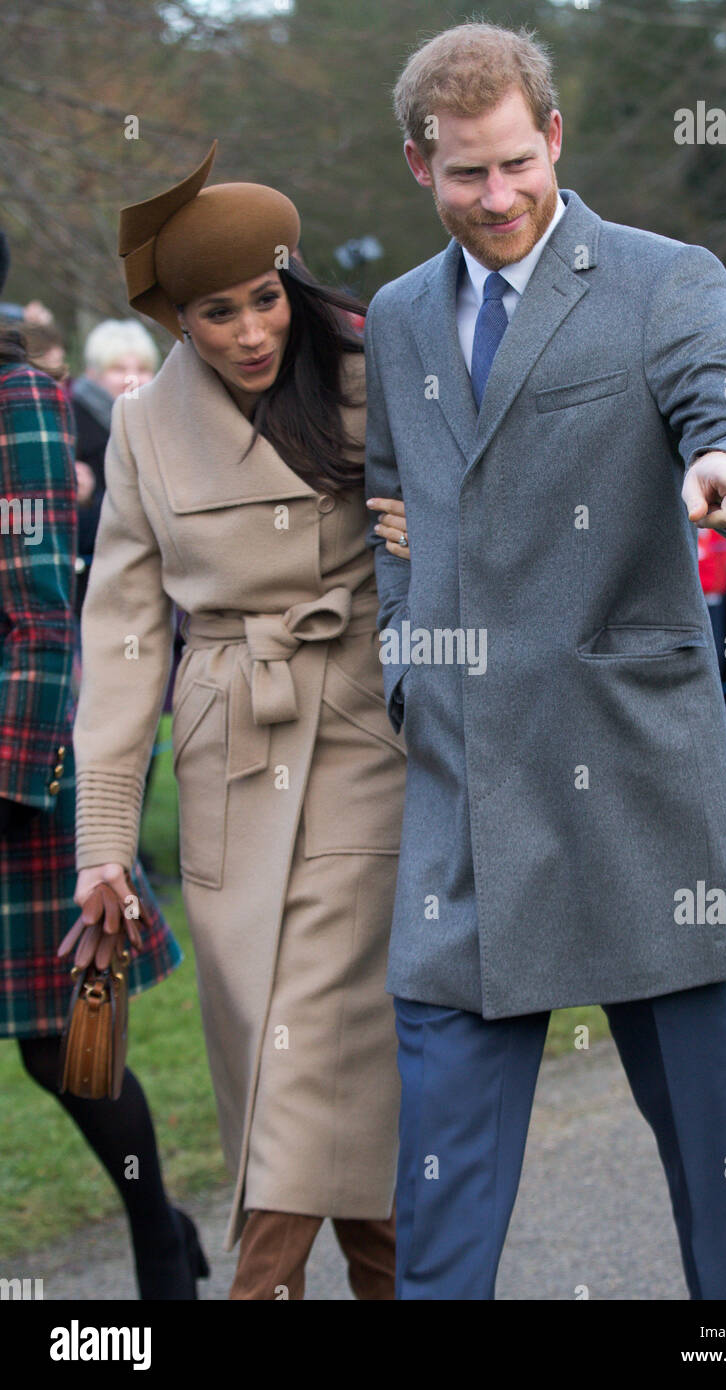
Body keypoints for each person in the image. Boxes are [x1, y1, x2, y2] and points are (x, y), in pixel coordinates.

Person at [364, 21, 726, 1300]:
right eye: (464, 175)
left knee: (707, 1162)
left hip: (628, 783)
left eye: (514, 163)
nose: (495, 198)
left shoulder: (663, 277)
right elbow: (392, 508)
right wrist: (408, 660)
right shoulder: (396, 317)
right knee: (439, 1188)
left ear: (550, 136)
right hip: (462, 799)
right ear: (418, 165)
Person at [71, 142, 411, 1300]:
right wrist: (106, 845)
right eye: (219, 312)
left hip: (364, 733)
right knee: (274, 1047)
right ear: (177, 318)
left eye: (267, 297)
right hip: (226, 753)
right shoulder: (140, 431)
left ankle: (256, 1284)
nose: (254, 330)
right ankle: (391, 1274)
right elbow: (121, 641)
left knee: (321, 1035)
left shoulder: (377, 368)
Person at [0, 228, 202, 1300]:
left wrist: (13, 779)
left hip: (14, 772)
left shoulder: (23, 403)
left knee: (61, 1051)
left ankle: (156, 1240)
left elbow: (41, 613)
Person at [70, 319, 160, 616]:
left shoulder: (161, 425)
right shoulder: (70, 424)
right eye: (119, 369)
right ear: (93, 373)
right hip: (87, 591)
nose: (132, 379)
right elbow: (32, 525)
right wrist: (82, 500)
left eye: (142, 369)